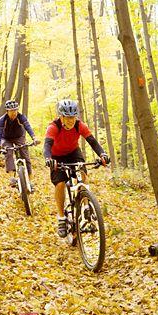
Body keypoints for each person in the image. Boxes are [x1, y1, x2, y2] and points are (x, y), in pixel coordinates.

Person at [43, 99, 110, 237]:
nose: (71, 120)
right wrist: (48, 159)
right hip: (56, 157)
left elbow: (92, 141)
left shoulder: (80, 125)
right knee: (60, 184)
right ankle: (61, 218)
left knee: (82, 173)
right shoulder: (53, 127)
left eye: (73, 117)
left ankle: (86, 207)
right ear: (61, 117)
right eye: (68, 117)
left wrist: (102, 154)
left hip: (73, 152)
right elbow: (47, 145)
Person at [0, 100, 39, 188]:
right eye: (11, 111)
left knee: (25, 156)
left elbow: (27, 127)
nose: (14, 113)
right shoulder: (2, 120)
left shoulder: (21, 117)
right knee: (8, 153)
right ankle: (12, 178)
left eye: (15, 110)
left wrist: (34, 138)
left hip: (19, 137)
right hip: (6, 138)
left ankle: (30, 181)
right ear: (7, 111)